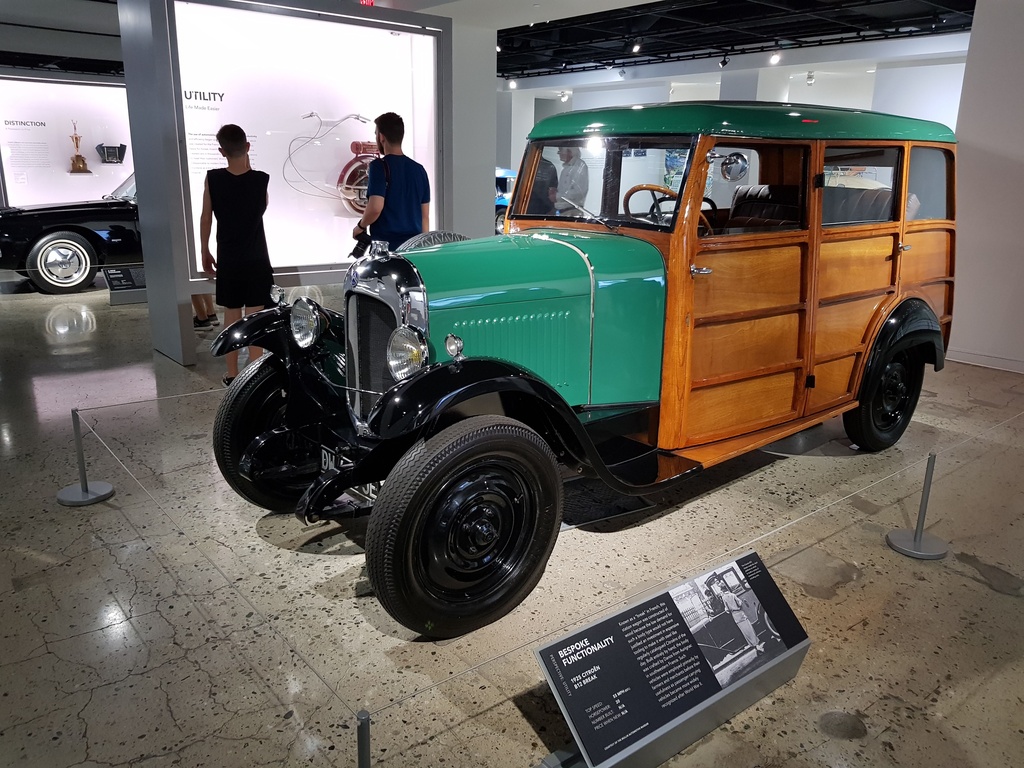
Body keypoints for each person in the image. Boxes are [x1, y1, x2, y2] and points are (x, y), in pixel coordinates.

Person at [200, 123, 273, 386]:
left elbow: (206, 217)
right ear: (248, 147)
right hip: (256, 258)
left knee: (231, 318)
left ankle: (232, 374)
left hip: (228, 259)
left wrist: (204, 249)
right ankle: (254, 374)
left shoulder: (214, 178)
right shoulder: (261, 180)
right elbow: (261, 207)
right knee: (256, 319)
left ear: (222, 151)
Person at [351, 112, 430, 251]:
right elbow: (425, 218)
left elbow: (375, 208)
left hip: (386, 250)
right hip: (414, 249)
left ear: (381, 137)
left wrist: (360, 227)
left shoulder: (379, 166)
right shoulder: (419, 170)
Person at [720, 586, 763, 654]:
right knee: (750, 629)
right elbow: (740, 603)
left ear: (722, 590)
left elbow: (727, 610)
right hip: (741, 614)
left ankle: (755, 647)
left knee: (745, 632)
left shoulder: (724, 598)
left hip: (735, 617)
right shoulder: (733, 595)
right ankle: (757, 646)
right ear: (726, 589)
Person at [554, 146, 589, 214]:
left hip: (572, 212)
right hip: (563, 212)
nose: (559, 153)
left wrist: (557, 196)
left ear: (570, 152)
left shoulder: (579, 166)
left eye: (560, 151)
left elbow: (578, 192)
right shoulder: (566, 169)